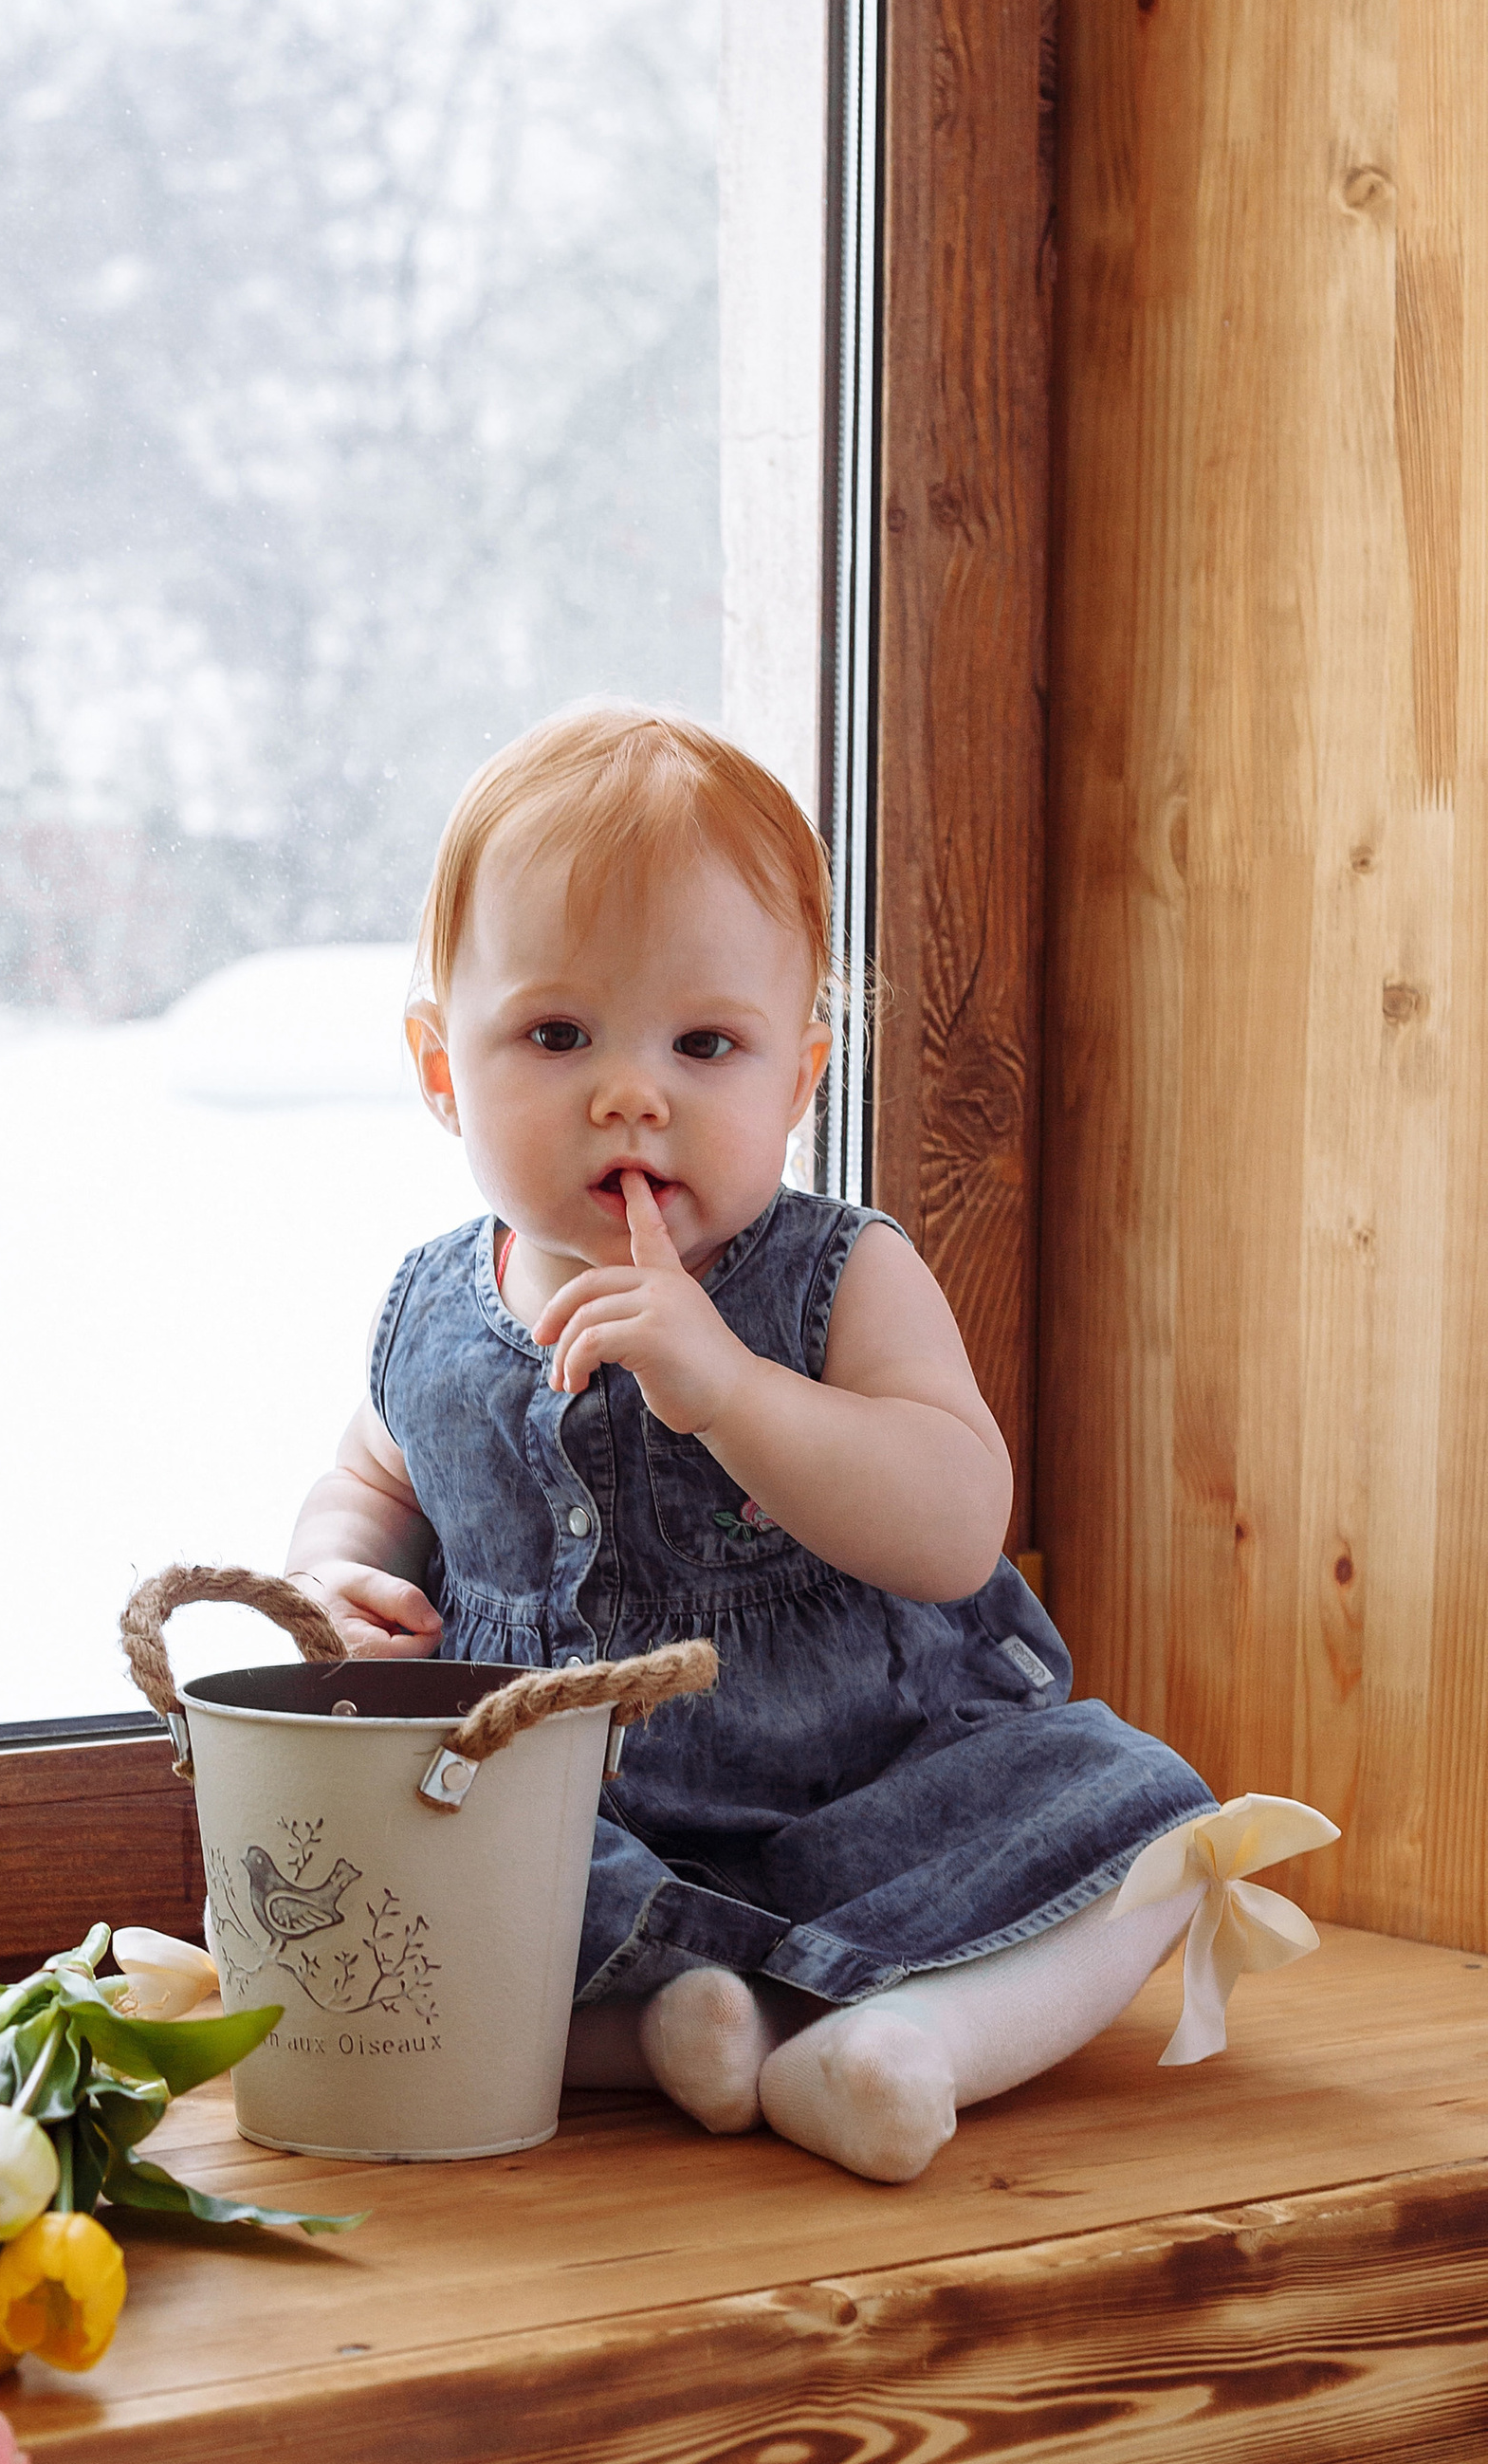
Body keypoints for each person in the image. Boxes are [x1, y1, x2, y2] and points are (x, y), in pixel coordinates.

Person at [283, 703, 1222, 2182]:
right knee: (386, 1876)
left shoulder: (839, 1278)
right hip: (582, 1839)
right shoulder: (432, 1312)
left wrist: (730, 1389)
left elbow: (951, 1524)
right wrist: (335, 1582)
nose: (631, 1091)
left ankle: (912, 2047)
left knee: (1157, 1832)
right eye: (556, 1033)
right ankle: (675, 2034)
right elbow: (368, 1482)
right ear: (441, 1066)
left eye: (705, 1043)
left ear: (798, 1078)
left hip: (879, 1798)